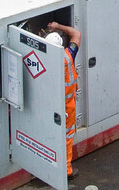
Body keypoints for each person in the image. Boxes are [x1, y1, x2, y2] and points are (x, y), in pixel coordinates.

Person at [44, 21, 81, 181]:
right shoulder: (68, 55)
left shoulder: (44, 61)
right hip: (68, 107)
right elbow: (76, 34)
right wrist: (58, 26)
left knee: (47, 135)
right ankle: (66, 170)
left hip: (49, 107)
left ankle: (47, 167)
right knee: (66, 138)